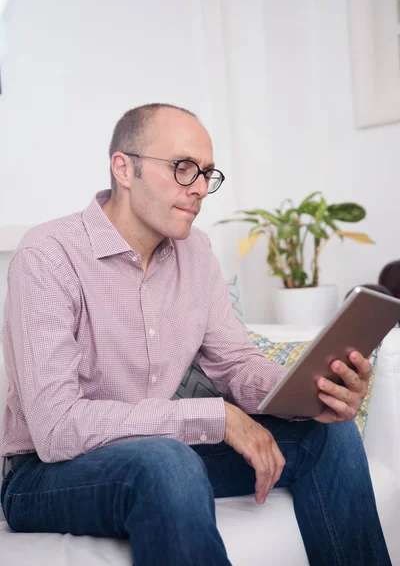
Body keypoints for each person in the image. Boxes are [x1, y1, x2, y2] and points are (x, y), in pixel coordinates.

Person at [0, 104, 392, 566]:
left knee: (328, 435)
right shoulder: (49, 256)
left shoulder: (196, 251)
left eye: (207, 173)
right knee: (169, 461)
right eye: (184, 169)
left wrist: (311, 390)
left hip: (161, 455)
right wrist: (215, 418)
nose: (201, 189)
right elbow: (56, 428)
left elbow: (234, 362)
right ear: (125, 168)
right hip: (45, 475)